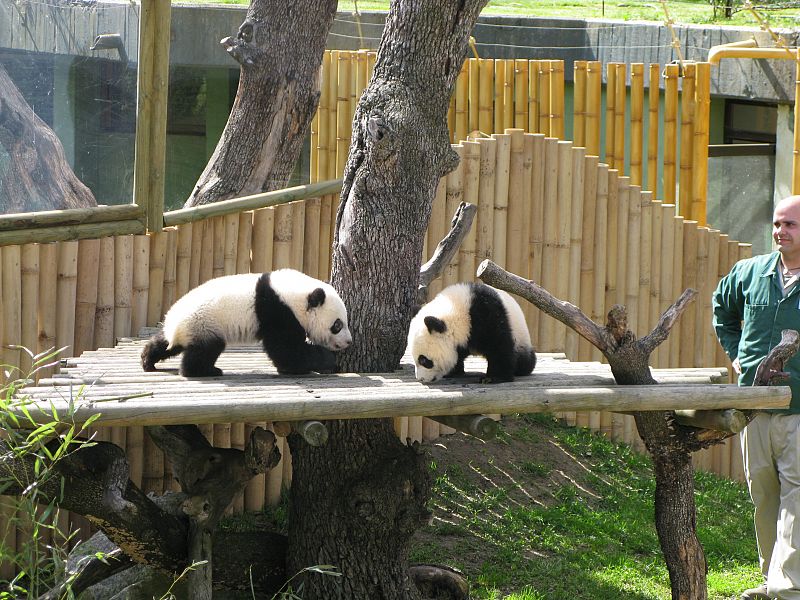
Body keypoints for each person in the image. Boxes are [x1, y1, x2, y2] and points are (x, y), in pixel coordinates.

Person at [713, 194, 800, 600]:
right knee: (763, 495)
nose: (780, 231)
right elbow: (722, 310)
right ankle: (772, 580)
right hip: (753, 408)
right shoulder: (750, 272)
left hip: (798, 409)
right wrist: (736, 356)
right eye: (778, 223)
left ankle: (789, 589)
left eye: (790, 225)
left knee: (796, 498)